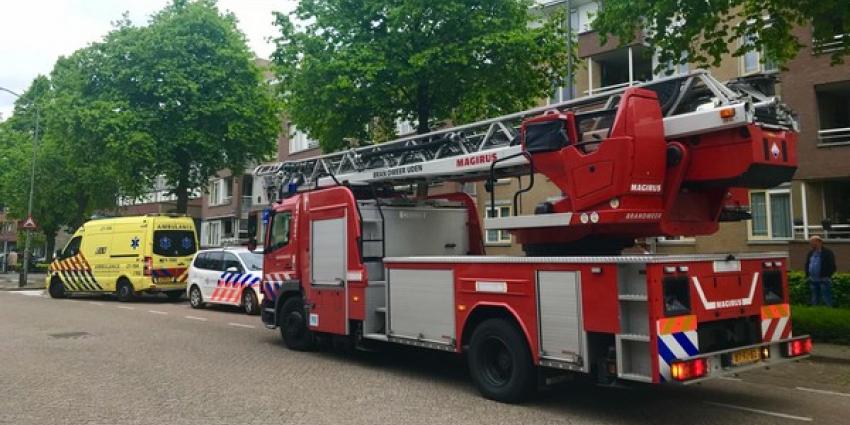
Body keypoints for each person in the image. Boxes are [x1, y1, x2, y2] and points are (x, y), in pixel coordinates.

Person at [805, 236, 836, 307]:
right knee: (814, 297)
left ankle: (829, 311)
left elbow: (832, 266)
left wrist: (827, 276)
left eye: (813, 243)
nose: (811, 244)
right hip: (813, 279)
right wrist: (807, 276)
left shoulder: (827, 252)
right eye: (810, 243)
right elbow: (807, 264)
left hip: (824, 279)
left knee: (826, 297)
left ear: (819, 242)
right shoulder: (810, 253)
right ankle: (815, 311)